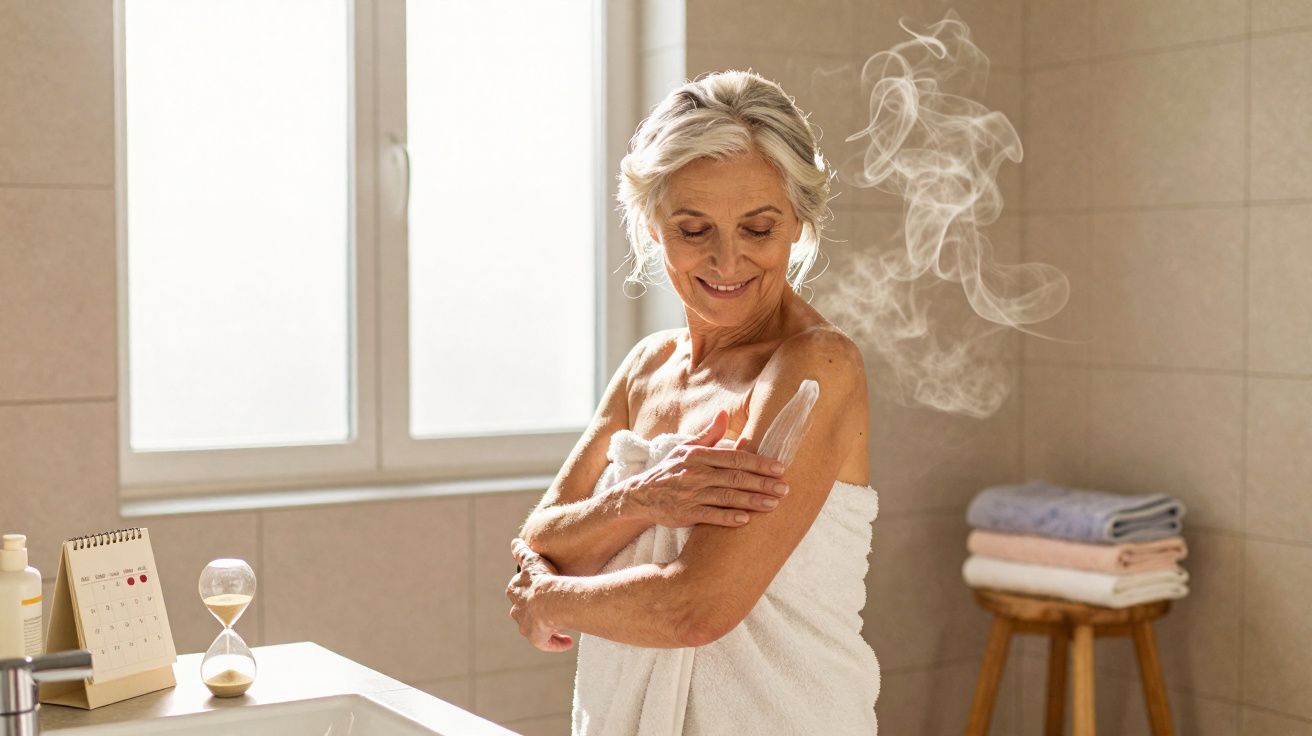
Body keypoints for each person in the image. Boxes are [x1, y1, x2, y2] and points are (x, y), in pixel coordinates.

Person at [506, 69, 881, 735]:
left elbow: (695, 608)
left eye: (758, 228)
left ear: (799, 221)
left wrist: (549, 601)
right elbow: (542, 540)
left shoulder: (814, 367)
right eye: (694, 227)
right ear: (653, 224)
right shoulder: (647, 367)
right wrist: (642, 500)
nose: (727, 259)